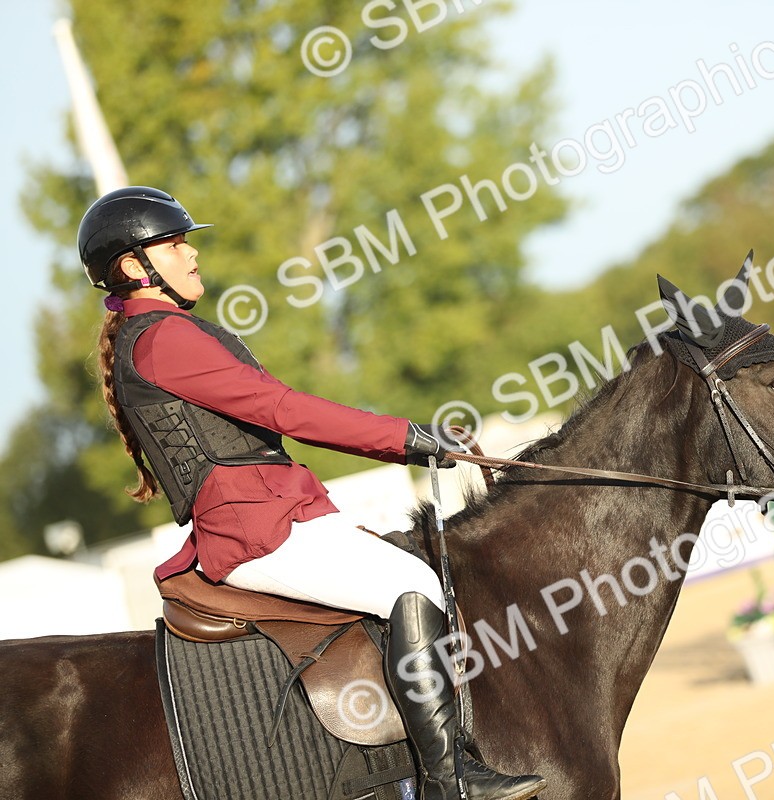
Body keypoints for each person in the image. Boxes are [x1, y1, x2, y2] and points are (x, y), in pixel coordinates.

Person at [79, 186, 546, 800]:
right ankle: (449, 778)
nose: (191, 256)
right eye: (173, 245)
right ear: (135, 267)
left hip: (283, 512)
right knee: (413, 584)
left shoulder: (171, 331)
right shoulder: (165, 339)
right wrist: (406, 438)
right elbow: (286, 409)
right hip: (254, 530)